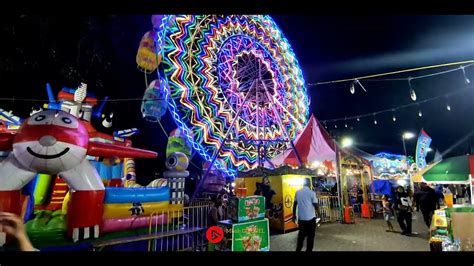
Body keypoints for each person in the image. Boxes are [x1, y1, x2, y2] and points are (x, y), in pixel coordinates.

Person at [292, 178, 321, 252]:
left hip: (301, 219)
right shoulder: (312, 193)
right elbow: (316, 205)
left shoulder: (298, 192)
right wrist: (320, 215)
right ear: (309, 184)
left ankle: (298, 249)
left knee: (301, 236)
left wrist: (294, 215)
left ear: (303, 184)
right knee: (310, 237)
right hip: (311, 219)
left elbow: (294, 204)